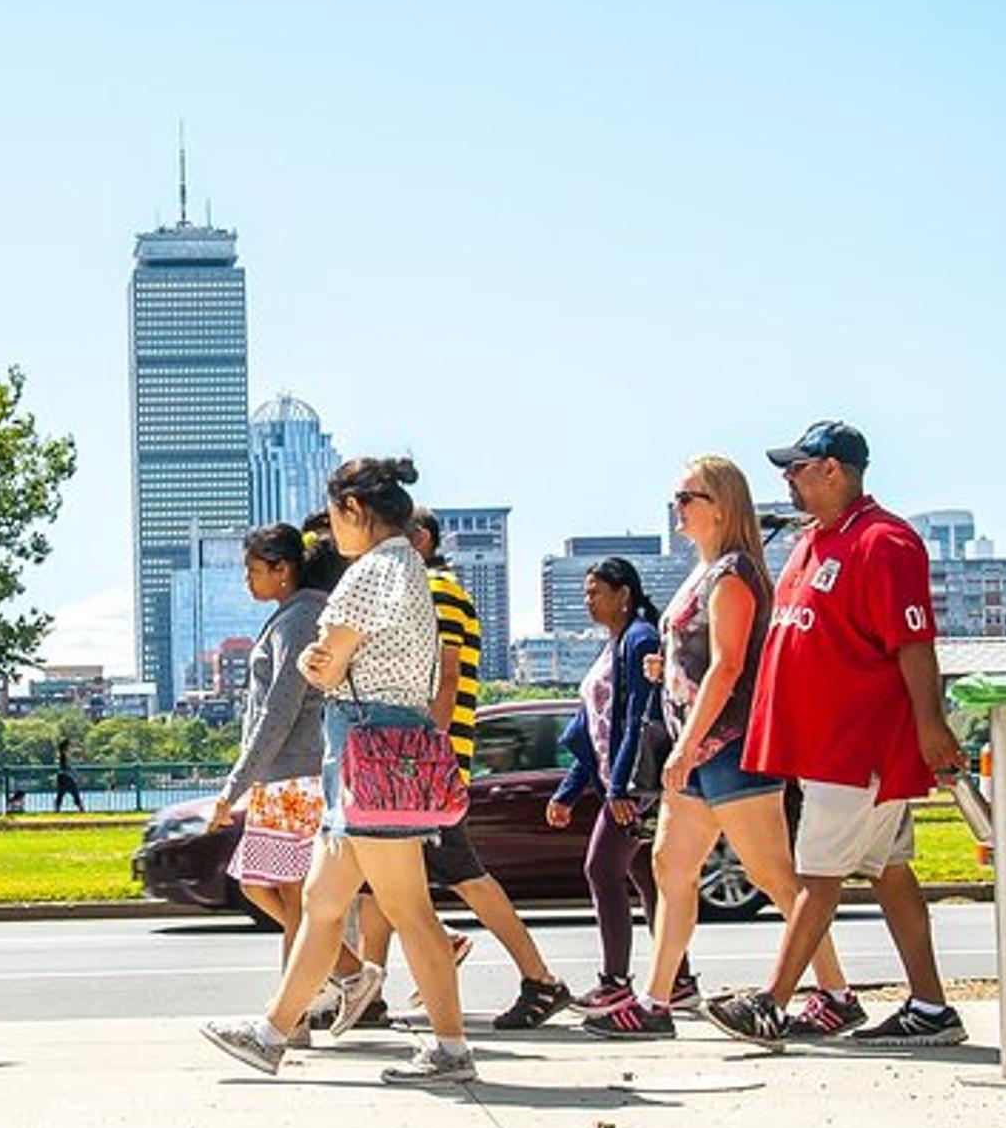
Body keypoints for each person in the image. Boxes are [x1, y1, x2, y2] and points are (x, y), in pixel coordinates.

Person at [201, 457, 475, 1085]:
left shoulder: (368, 574)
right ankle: (272, 1033)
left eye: (333, 519)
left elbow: (323, 666)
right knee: (322, 902)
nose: (327, 537)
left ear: (354, 511)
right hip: (386, 745)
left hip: (365, 748)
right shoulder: (410, 567)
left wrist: (314, 664)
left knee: (409, 909)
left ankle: (451, 1048)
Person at [699, 422, 968, 1049]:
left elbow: (913, 642)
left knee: (817, 875)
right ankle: (931, 1008)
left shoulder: (884, 541)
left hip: (858, 746)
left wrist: (931, 725)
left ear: (833, 470)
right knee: (890, 872)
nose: (787, 478)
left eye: (797, 467)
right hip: (826, 747)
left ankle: (770, 1004)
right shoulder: (813, 542)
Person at [584, 456, 857, 1039]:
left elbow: (729, 666)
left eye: (688, 497)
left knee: (774, 876)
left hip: (728, 746)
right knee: (670, 866)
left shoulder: (733, 572)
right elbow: (707, 655)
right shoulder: (705, 571)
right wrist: (667, 666)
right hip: (701, 749)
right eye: (677, 498)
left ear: (721, 505)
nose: (678, 508)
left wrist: (686, 747)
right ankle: (656, 1002)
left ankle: (836, 993)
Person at [355, 507, 572, 1029]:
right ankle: (367, 995)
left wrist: (422, 756)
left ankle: (541, 980)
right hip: (423, 761)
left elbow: (447, 677)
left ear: (420, 541)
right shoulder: (423, 590)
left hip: (429, 763)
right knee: (375, 884)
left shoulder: (438, 592)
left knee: (466, 876)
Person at [209, 524, 363, 996]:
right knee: (259, 886)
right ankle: (351, 972)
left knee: (294, 894)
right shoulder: (291, 616)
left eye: (253, 570)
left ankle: (291, 1012)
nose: (247, 580)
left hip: (298, 775)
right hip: (282, 777)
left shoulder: (301, 619)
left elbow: (279, 709)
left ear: (283, 569)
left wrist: (233, 786)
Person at [544, 557, 694, 1018]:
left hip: (634, 786)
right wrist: (569, 790)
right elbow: (594, 729)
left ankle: (615, 983)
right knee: (645, 875)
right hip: (622, 781)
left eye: (596, 592)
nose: (587, 601)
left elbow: (636, 721)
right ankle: (679, 980)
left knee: (601, 870)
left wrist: (620, 789)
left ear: (623, 594)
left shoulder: (640, 639)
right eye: (585, 592)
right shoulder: (616, 643)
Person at [54, 738, 85, 812]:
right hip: (65, 776)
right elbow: (66, 766)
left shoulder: (61, 754)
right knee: (74, 791)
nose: (70, 747)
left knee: (61, 793)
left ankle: (57, 809)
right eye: (69, 746)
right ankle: (81, 808)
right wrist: (75, 773)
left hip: (61, 776)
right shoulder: (63, 755)